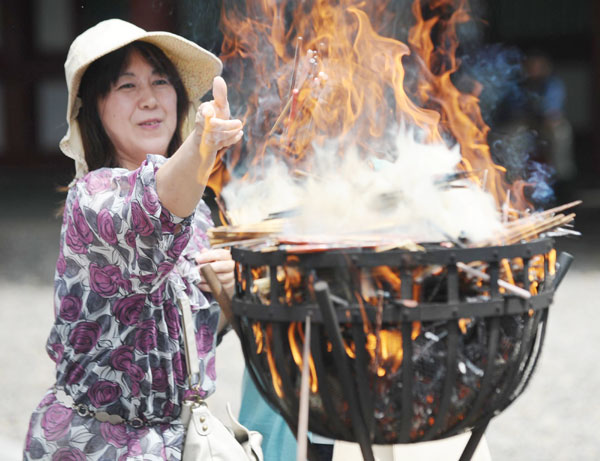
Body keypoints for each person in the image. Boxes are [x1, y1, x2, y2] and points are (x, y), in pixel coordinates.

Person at [23, 18, 243, 460]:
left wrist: (229, 295)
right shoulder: (94, 198)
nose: (149, 99)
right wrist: (202, 143)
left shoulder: (197, 211)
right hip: (94, 444)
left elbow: (172, 335)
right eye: (126, 86)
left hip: (180, 441)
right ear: (95, 109)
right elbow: (152, 213)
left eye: (160, 81)